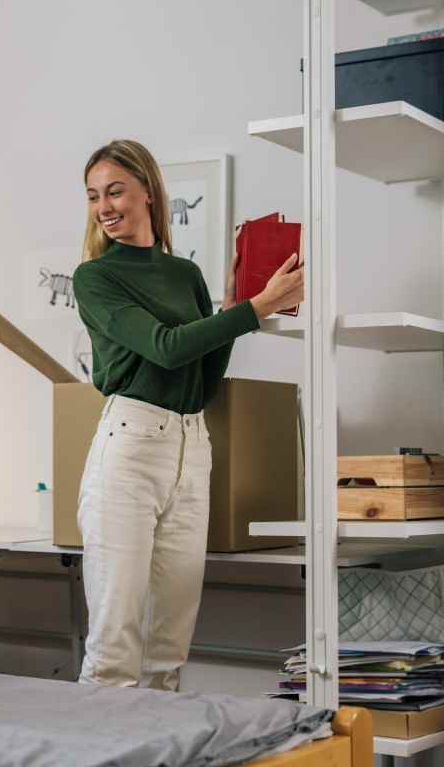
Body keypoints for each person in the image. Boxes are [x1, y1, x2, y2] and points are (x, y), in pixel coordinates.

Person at [72, 139, 303, 690]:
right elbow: (167, 347)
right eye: (93, 196)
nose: (104, 205)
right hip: (129, 450)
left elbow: (203, 376)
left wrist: (231, 306)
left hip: (191, 448)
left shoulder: (185, 275)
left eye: (115, 190)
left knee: (167, 649)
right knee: (115, 649)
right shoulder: (95, 277)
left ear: (148, 191)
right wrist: (254, 309)